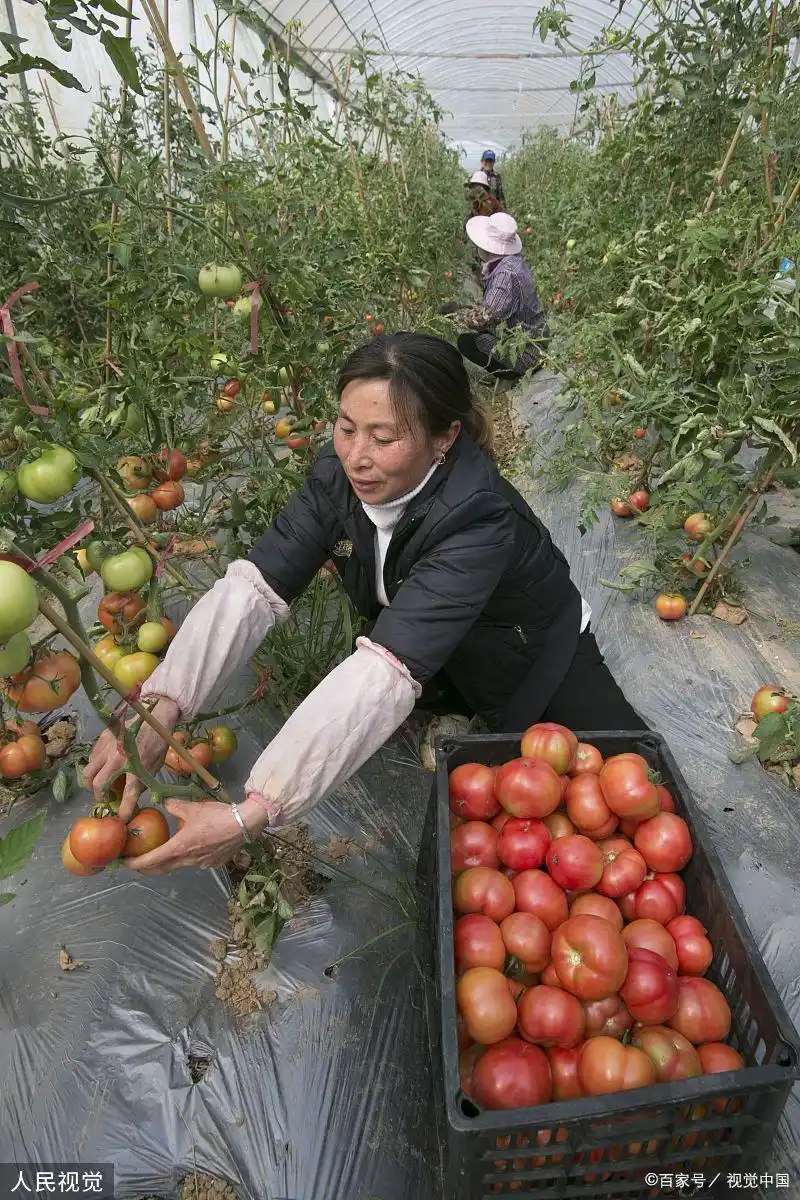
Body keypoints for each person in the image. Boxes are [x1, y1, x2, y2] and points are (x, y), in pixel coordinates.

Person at [85, 333, 644, 874]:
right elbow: (254, 588)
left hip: (528, 646)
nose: (356, 457)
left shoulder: (478, 515)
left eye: (384, 438)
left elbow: (385, 670)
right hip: (432, 641)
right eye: (347, 429)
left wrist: (252, 813)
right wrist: (163, 703)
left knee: (632, 776)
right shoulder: (336, 480)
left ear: (444, 438)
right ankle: (452, 703)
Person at [453, 212, 549, 379]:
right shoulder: (513, 261)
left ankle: (511, 375)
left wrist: (455, 313)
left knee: (469, 342)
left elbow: (484, 318)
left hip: (529, 353)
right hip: (536, 340)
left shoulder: (505, 275)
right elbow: (495, 305)